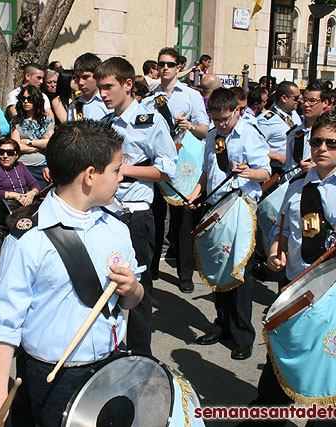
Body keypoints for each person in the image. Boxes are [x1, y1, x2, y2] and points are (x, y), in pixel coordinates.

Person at [0, 119, 143, 427]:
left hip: (108, 364)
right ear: (90, 176)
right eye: (117, 169)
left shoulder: (117, 229)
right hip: (51, 375)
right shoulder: (29, 238)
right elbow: (4, 322)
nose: (123, 176)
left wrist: (132, 289)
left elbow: (131, 302)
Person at [248, 112, 336, 426]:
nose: (322, 148)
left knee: (331, 364)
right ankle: (266, 415)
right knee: (284, 351)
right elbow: (281, 229)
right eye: (316, 141)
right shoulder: (298, 184)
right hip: (296, 283)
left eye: (332, 143)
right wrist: (275, 251)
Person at [95, 56, 177, 354]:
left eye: (108, 87)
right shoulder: (104, 123)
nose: (102, 94)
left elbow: (168, 170)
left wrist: (123, 171)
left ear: (128, 85)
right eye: (100, 87)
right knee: (103, 283)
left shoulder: (151, 121)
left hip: (135, 214)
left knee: (139, 288)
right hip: (105, 212)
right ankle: (107, 346)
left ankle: (141, 354)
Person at [184, 88, 270, 359]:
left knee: (238, 271)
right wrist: (196, 193)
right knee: (218, 267)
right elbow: (207, 172)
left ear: (237, 111)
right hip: (215, 206)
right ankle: (221, 324)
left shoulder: (249, 134)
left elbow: (265, 171)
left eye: (225, 119)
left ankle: (242, 334)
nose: (220, 125)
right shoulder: (212, 135)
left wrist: (249, 172)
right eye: (216, 119)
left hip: (240, 208)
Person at [142, 47, 210, 293]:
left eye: (170, 64)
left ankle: (185, 273)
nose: (165, 68)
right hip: (158, 166)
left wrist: (190, 125)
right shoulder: (149, 100)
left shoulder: (190, 95)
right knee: (155, 219)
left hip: (185, 165)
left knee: (183, 222)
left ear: (179, 67)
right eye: (161, 64)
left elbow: (205, 130)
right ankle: (151, 269)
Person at [11, 85, 55, 187]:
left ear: (36, 100)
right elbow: (16, 146)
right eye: (23, 99)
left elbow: (50, 143)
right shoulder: (16, 122)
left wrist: (28, 142)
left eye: (29, 98)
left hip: (43, 167)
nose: (25, 102)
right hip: (23, 166)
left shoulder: (46, 120)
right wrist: (39, 146)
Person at [284, 81, 332, 173]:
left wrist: (316, 168)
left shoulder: (334, 132)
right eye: (304, 100)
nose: (306, 104)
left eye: (312, 101)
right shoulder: (294, 133)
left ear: (325, 103)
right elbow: (289, 165)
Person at [257, 81, 302, 175]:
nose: (299, 101)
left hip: (295, 167)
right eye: (296, 98)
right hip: (276, 169)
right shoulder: (266, 120)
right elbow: (255, 148)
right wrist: (279, 157)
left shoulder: (294, 114)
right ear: (284, 98)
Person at [0, 138, 41, 209]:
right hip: (6, 206)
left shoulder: (20, 166)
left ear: (16, 155)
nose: (5, 156)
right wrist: (12, 195)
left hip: (25, 204)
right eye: (1, 152)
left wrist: (32, 193)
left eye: (10, 153)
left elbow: (35, 183)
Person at [67, 53, 112, 122]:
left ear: (97, 76)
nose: (80, 82)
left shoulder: (108, 103)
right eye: (77, 77)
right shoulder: (74, 106)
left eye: (85, 77)